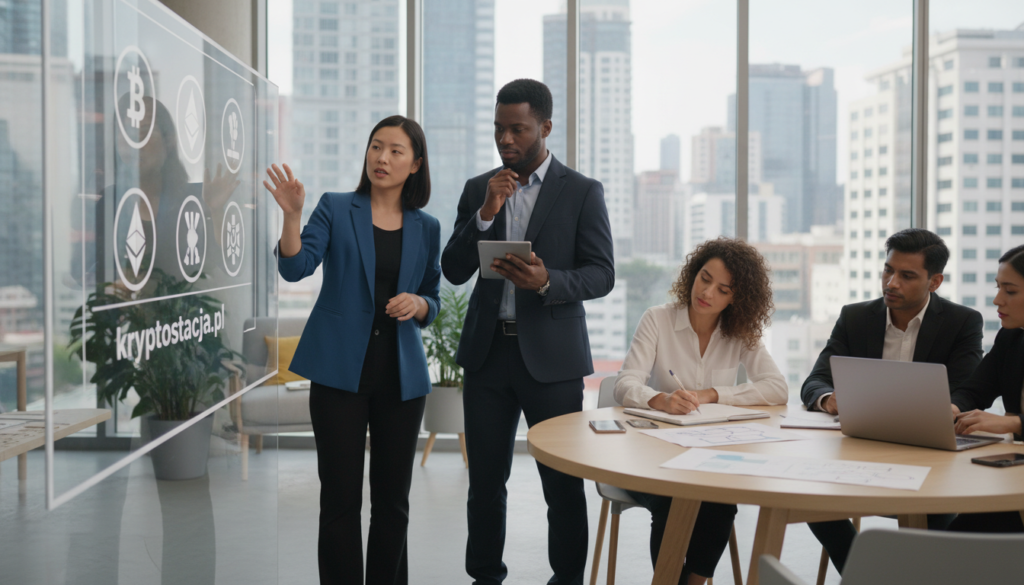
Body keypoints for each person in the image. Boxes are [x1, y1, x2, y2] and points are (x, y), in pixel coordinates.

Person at [441, 78, 614, 585]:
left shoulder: (582, 191)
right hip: (488, 356)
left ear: (545, 127)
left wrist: (548, 281)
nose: (506, 140)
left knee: (561, 484)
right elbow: (452, 269)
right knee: (486, 484)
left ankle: (566, 580)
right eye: (499, 130)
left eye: (517, 129)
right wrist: (485, 214)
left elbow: (601, 273)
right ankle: (485, 577)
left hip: (553, 362)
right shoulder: (480, 189)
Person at [263, 115, 441, 585]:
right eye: (376, 147)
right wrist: (291, 217)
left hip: (401, 380)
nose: (382, 158)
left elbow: (433, 299)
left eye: (396, 150)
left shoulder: (427, 227)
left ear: (416, 164)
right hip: (340, 374)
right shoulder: (337, 208)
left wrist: (420, 303)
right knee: (339, 501)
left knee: (392, 503)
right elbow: (295, 267)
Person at [800, 228, 983, 573]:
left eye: (906, 275)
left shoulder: (962, 322)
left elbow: (965, 388)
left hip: (929, 460)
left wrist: (950, 407)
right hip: (856, 455)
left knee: (932, 532)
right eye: (888, 270)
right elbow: (815, 380)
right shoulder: (855, 317)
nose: (891, 282)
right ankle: (864, 575)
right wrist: (828, 400)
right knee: (811, 500)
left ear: (935, 281)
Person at [614, 238, 787, 585]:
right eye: (704, 278)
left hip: (712, 455)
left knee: (721, 499)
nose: (707, 292)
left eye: (722, 289)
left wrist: (712, 394)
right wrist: (658, 399)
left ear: (735, 297)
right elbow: (624, 382)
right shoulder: (658, 319)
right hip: (653, 457)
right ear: (693, 274)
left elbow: (777, 387)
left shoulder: (740, 333)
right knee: (673, 497)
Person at [947, 244, 1024, 533]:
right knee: (955, 538)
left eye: (1010, 291)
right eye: (998, 288)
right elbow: (975, 390)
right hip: (1014, 478)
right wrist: (952, 408)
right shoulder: (1012, 337)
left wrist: (1013, 422)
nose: (997, 300)